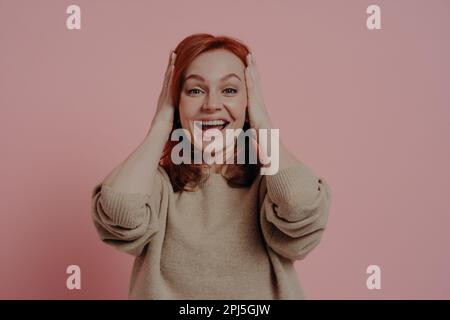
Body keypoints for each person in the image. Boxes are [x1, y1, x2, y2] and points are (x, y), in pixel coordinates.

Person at [91, 33, 332, 299]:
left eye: (229, 90)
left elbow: (300, 204)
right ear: (176, 102)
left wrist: (262, 123)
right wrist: (161, 124)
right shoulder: (159, 188)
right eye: (195, 90)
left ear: (249, 101)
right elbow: (119, 210)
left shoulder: (267, 189)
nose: (212, 105)